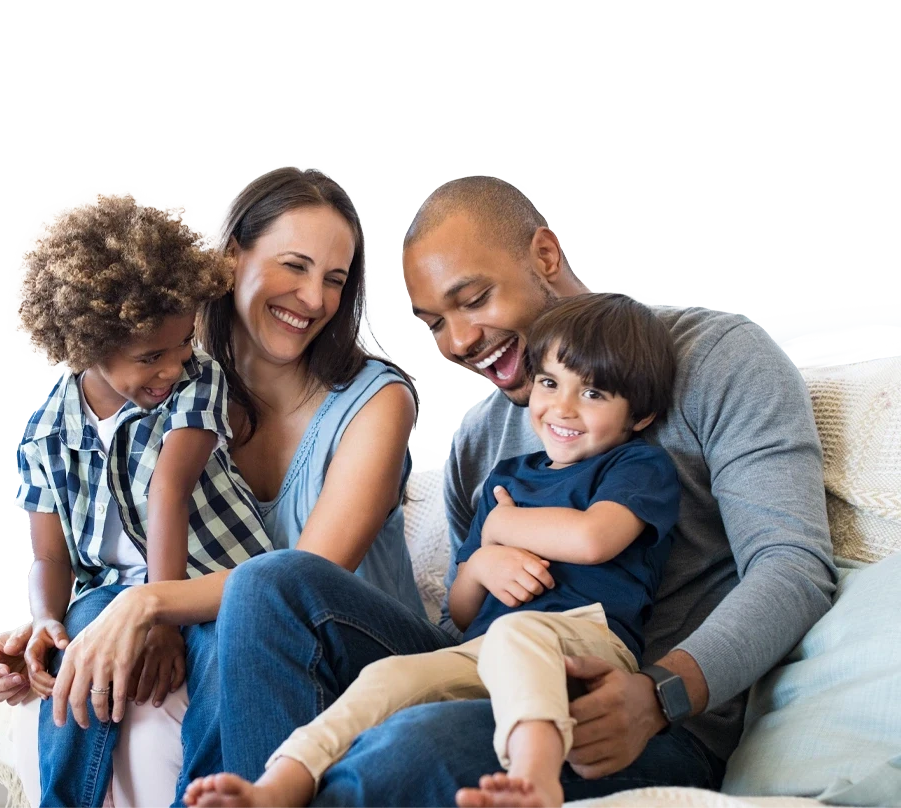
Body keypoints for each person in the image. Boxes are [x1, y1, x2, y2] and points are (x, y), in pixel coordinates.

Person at [199, 174, 837, 805]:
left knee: (411, 747)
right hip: (495, 671)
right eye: (433, 324)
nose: (458, 342)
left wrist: (660, 694)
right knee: (269, 583)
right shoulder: (480, 443)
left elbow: (792, 567)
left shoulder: (716, 358)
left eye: (473, 300)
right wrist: (482, 563)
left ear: (545, 255)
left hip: (635, 717)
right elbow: (463, 622)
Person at [0, 166, 429, 808]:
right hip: (237, 633)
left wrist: (150, 604)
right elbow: (94, 539)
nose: (315, 299)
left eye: (335, 279)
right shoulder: (163, 389)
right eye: (294, 266)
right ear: (232, 257)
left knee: (242, 612)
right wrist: (48, 630)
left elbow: (305, 578)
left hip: (356, 650)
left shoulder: (374, 402)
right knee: (97, 634)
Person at [184, 293, 681, 808]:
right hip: (483, 651)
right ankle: (279, 784)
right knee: (388, 676)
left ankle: (536, 779)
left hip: (587, 645)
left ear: (640, 415)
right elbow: (463, 611)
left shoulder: (635, 467)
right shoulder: (508, 478)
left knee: (517, 631)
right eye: (550, 383)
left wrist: (502, 526)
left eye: (594, 393)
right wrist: (484, 560)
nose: (562, 408)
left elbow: (593, 538)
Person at [12, 191, 273, 808]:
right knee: (79, 649)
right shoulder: (45, 429)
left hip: (215, 578)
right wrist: (46, 619)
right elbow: (50, 556)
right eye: (150, 356)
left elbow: (168, 491)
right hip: (110, 591)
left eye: (183, 343)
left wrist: (160, 614)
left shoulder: (196, 380)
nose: (172, 366)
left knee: (221, 662)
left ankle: (208, 797)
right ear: (86, 345)